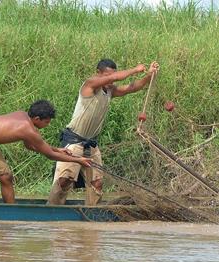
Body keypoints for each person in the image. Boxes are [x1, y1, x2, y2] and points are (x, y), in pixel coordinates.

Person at [48, 59, 159, 206]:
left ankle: (92, 216)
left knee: (97, 183)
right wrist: (135, 70)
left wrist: (148, 75)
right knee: (65, 181)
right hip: (73, 141)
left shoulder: (110, 90)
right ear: (98, 73)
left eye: (112, 75)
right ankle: (53, 210)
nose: (109, 79)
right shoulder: (90, 84)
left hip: (92, 144)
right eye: (106, 75)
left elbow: (131, 87)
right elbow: (113, 78)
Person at [0, 100, 91, 203]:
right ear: (36, 118)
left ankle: (11, 211)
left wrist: (57, 149)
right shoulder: (28, 129)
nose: (48, 124)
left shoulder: (23, 116)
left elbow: (30, 146)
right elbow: (50, 155)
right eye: (46, 122)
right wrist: (78, 160)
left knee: (6, 177)